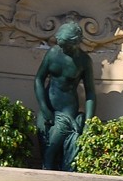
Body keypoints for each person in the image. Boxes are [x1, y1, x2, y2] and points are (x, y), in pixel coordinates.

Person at [35, 21, 96, 171]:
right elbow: (39, 79)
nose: (62, 49)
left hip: (67, 110)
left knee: (50, 152)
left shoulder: (84, 61)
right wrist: (44, 107)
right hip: (47, 107)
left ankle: (49, 179)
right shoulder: (53, 53)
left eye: (66, 46)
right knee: (44, 146)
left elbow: (90, 93)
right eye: (61, 45)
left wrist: (88, 122)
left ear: (76, 42)